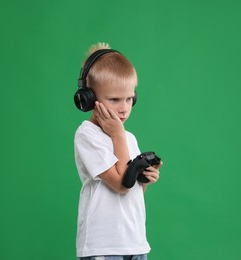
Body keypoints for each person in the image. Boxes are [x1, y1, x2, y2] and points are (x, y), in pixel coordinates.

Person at [74, 42, 163, 260]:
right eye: (114, 99)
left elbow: (130, 190)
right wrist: (117, 135)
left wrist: (144, 180)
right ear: (88, 99)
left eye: (129, 98)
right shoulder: (88, 135)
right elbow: (121, 184)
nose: (124, 108)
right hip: (103, 245)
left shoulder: (127, 138)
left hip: (134, 242)